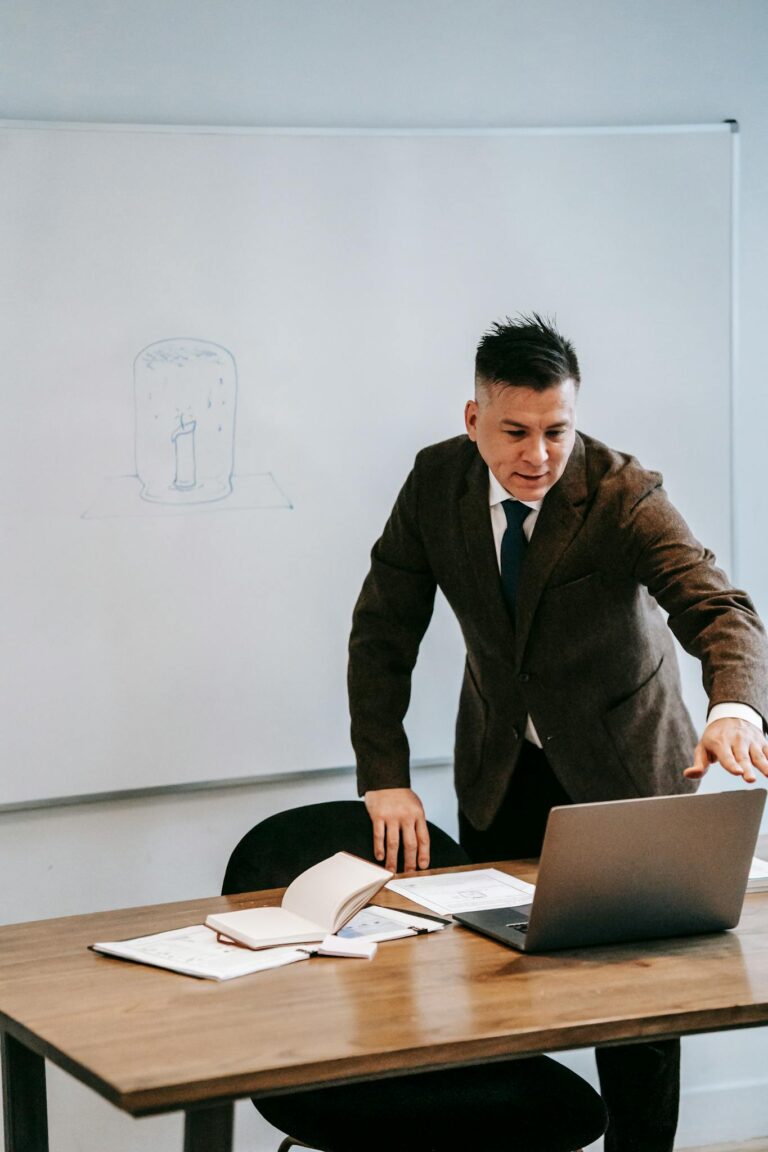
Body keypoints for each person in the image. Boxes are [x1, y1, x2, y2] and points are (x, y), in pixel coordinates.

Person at [347, 313, 768, 1152]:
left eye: (556, 431)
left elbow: (717, 608)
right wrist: (383, 774)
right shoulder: (436, 484)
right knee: (496, 988)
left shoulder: (622, 492)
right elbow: (382, 632)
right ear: (474, 422)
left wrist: (734, 709)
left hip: (627, 771)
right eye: (515, 432)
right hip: (504, 769)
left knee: (639, 1016)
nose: (537, 455)